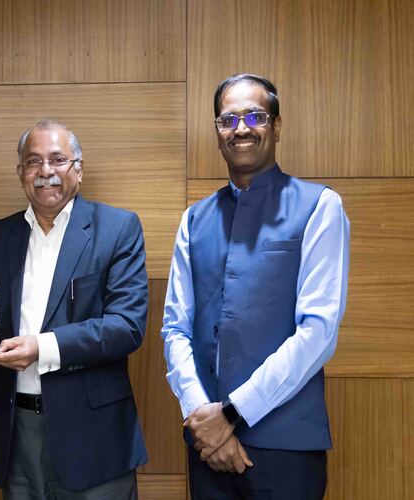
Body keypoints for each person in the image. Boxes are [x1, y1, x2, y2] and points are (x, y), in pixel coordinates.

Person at [161, 74, 350, 499]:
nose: (241, 128)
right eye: (228, 120)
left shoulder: (320, 206)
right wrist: (201, 415)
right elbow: (175, 328)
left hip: (286, 447)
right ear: (218, 133)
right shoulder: (194, 219)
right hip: (207, 447)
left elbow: (317, 333)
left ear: (276, 126)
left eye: (255, 116)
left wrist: (231, 414)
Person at [0, 119, 148, 499]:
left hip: (94, 438)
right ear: (21, 174)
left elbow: (126, 327)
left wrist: (41, 347)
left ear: (78, 170)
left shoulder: (118, 228)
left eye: (58, 159)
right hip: (16, 434)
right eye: (33, 161)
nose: (45, 171)